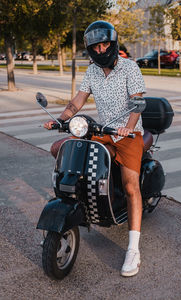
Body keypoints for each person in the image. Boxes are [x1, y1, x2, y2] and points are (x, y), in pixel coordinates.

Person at [44, 20, 146, 277]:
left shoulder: (129, 68)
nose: (100, 50)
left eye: (104, 45)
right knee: (61, 149)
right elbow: (78, 100)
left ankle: (133, 250)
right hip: (103, 131)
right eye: (95, 47)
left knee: (131, 185)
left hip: (128, 133)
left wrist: (127, 127)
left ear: (112, 44)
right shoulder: (91, 72)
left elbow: (137, 103)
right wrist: (62, 118)